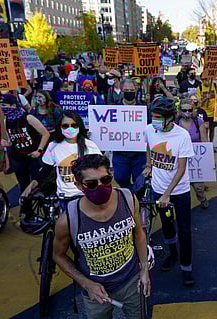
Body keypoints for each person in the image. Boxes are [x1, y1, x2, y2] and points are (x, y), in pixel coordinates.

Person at [53, 154, 150, 319]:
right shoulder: (68, 220)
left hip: (132, 283)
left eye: (105, 180)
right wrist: (86, 283)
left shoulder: (128, 199)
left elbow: (138, 233)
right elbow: (58, 255)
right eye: (91, 183)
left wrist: (144, 269)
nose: (100, 186)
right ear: (78, 185)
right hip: (95, 292)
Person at [142, 97, 195, 285]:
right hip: (158, 189)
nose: (154, 120)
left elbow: (181, 169)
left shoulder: (182, 136)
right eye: (153, 116)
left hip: (179, 191)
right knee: (166, 224)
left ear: (170, 117)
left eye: (158, 117)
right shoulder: (150, 130)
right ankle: (173, 254)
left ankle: (186, 267)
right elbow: (148, 146)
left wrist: (168, 193)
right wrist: (149, 164)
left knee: (184, 229)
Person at [21, 110, 102, 212]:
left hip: (86, 197)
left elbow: (100, 171)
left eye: (73, 125)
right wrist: (30, 186)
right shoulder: (53, 146)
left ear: (79, 126)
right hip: (65, 198)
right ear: (60, 127)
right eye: (65, 126)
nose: (70, 128)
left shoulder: (90, 146)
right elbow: (45, 170)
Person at [1, 93, 50, 198]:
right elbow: (12, 139)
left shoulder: (28, 117)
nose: (3, 108)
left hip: (33, 157)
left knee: (37, 184)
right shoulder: (7, 120)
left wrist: (39, 151)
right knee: (23, 185)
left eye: (5, 105)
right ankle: (26, 210)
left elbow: (45, 133)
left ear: (13, 106)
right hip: (18, 158)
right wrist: (7, 143)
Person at [111, 79, 147, 189]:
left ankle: (137, 200)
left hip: (139, 153)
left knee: (141, 180)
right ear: (121, 91)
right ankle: (129, 193)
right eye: (126, 90)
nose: (129, 92)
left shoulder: (144, 108)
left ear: (136, 91)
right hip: (120, 153)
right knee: (120, 178)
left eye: (132, 90)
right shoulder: (113, 108)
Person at [176, 99, 209, 208]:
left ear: (193, 110)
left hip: (196, 159)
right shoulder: (175, 123)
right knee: (180, 184)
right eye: (184, 110)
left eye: (189, 110)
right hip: (180, 159)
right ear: (180, 110)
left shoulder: (198, 121)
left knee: (198, 186)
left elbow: (204, 139)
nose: (187, 112)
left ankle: (203, 199)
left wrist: (208, 157)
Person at [197, 78, 217, 143]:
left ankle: (211, 143)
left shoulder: (215, 86)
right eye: (205, 79)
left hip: (213, 113)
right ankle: (206, 143)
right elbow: (199, 104)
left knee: (212, 129)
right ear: (202, 80)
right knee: (205, 130)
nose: (207, 81)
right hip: (204, 113)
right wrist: (205, 98)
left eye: (208, 79)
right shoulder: (199, 88)